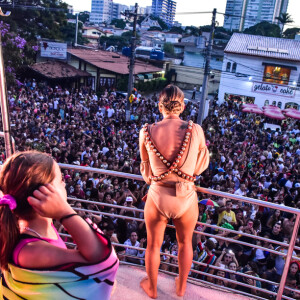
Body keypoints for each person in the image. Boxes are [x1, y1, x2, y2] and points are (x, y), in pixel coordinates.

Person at [0, 151, 119, 299]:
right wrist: (64, 212)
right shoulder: (30, 251)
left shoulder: (34, 229)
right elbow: (103, 261)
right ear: (44, 194)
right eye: (61, 180)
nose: (64, 184)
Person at [139, 84, 209, 298]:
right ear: (183, 106)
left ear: (160, 106)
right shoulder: (195, 129)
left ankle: (152, 288)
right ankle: (181, 287)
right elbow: (201, 165)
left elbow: (146, 171)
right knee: (185, 243)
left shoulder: (146, 131)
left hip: (158, 195)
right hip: (186, 196)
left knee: (153, 246)